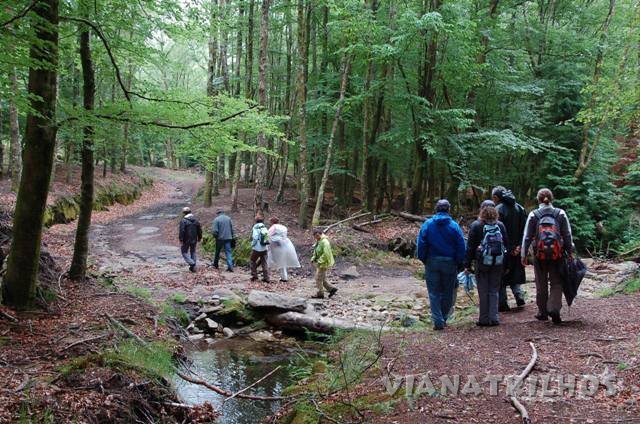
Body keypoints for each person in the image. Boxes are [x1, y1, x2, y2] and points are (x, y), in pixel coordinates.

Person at [521, 188, 573, 325]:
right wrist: (570, 252)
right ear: (552, 199)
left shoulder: (534, 215)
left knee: (541, 283)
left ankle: (543, 312)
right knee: (556, 282)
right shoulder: (560, 213)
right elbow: (567, 234)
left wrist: (523, 254)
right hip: (558, 254)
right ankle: (554, 309)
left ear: (538, 199)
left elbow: (527, 236)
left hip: (539, 254)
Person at [416, 199, 466, 331]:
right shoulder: (454, 226)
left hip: (432, 261)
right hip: (450, 262)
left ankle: (438, 320)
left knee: (434, 292)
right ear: (448, 210)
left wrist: (423, 259)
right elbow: (461, 245)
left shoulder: (427, 224)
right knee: (448, 292)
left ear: (436, 209)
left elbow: (421, 243)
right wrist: (459, 261)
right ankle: (443, 318)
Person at [465, 200, 509, 327]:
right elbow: (506, 245)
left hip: (482, 263)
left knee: (483, 290)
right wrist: (507, 265)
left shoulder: (476, 225)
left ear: (481, 210)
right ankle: (494, 318)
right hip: (498, 262)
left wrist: (467, 264)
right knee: (494, 289)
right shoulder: (500, 225)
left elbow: (470, 247)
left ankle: (484, 319)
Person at [492, 186, 528, 311]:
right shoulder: (520, 208)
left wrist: (509, 247)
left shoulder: (497, 210)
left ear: (496, 197)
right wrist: (519, 246)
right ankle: (519, 295)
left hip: (503, 248)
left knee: (501, 275)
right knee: (515, 273)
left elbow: (497, 232)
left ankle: (502, 303)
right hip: (517, 248)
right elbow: (525, 230)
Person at [267, 217, 301, 282]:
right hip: (285, 244)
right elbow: (284, 236)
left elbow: (268, 235)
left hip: (276, 246)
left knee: (272, 260)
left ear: (272, 222)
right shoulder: (283, 227)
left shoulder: (273, 227)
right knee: (282, 262)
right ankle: (284, 277)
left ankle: (268, 275)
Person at [310, 228, 337, 299]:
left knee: (318, 278)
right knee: (322, 278)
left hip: (323, 263)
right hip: (321, 263)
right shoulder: (319, 241)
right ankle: (331, 289)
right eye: (315, 236)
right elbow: (316, 251)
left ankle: (320, 293)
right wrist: (313, 258)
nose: (316, 237)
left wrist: (320, 261)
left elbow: (326, 254)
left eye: (317, 235)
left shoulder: (325, 242)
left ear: (320, 234)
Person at [178, 206, 202, 272]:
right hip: (194, 239)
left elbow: (182, 230)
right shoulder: (196, 220)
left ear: (184, 213)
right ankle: (193, 268)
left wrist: (181, 239)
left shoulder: (183, 221)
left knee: (184, 252)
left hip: (186, 239)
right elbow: (199, 230)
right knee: (193, 251)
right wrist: (199, 237)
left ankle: (192, 263)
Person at [250, 215, 270, 282]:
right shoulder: (265, 228)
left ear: (256, 221)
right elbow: (267, 238)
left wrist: (252, 244)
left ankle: (254, 275)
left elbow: (255, 238)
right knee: (264, 262)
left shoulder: (255, 227)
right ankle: (266, 278)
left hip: (257, 248)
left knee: (252, 260)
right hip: (264, 248)